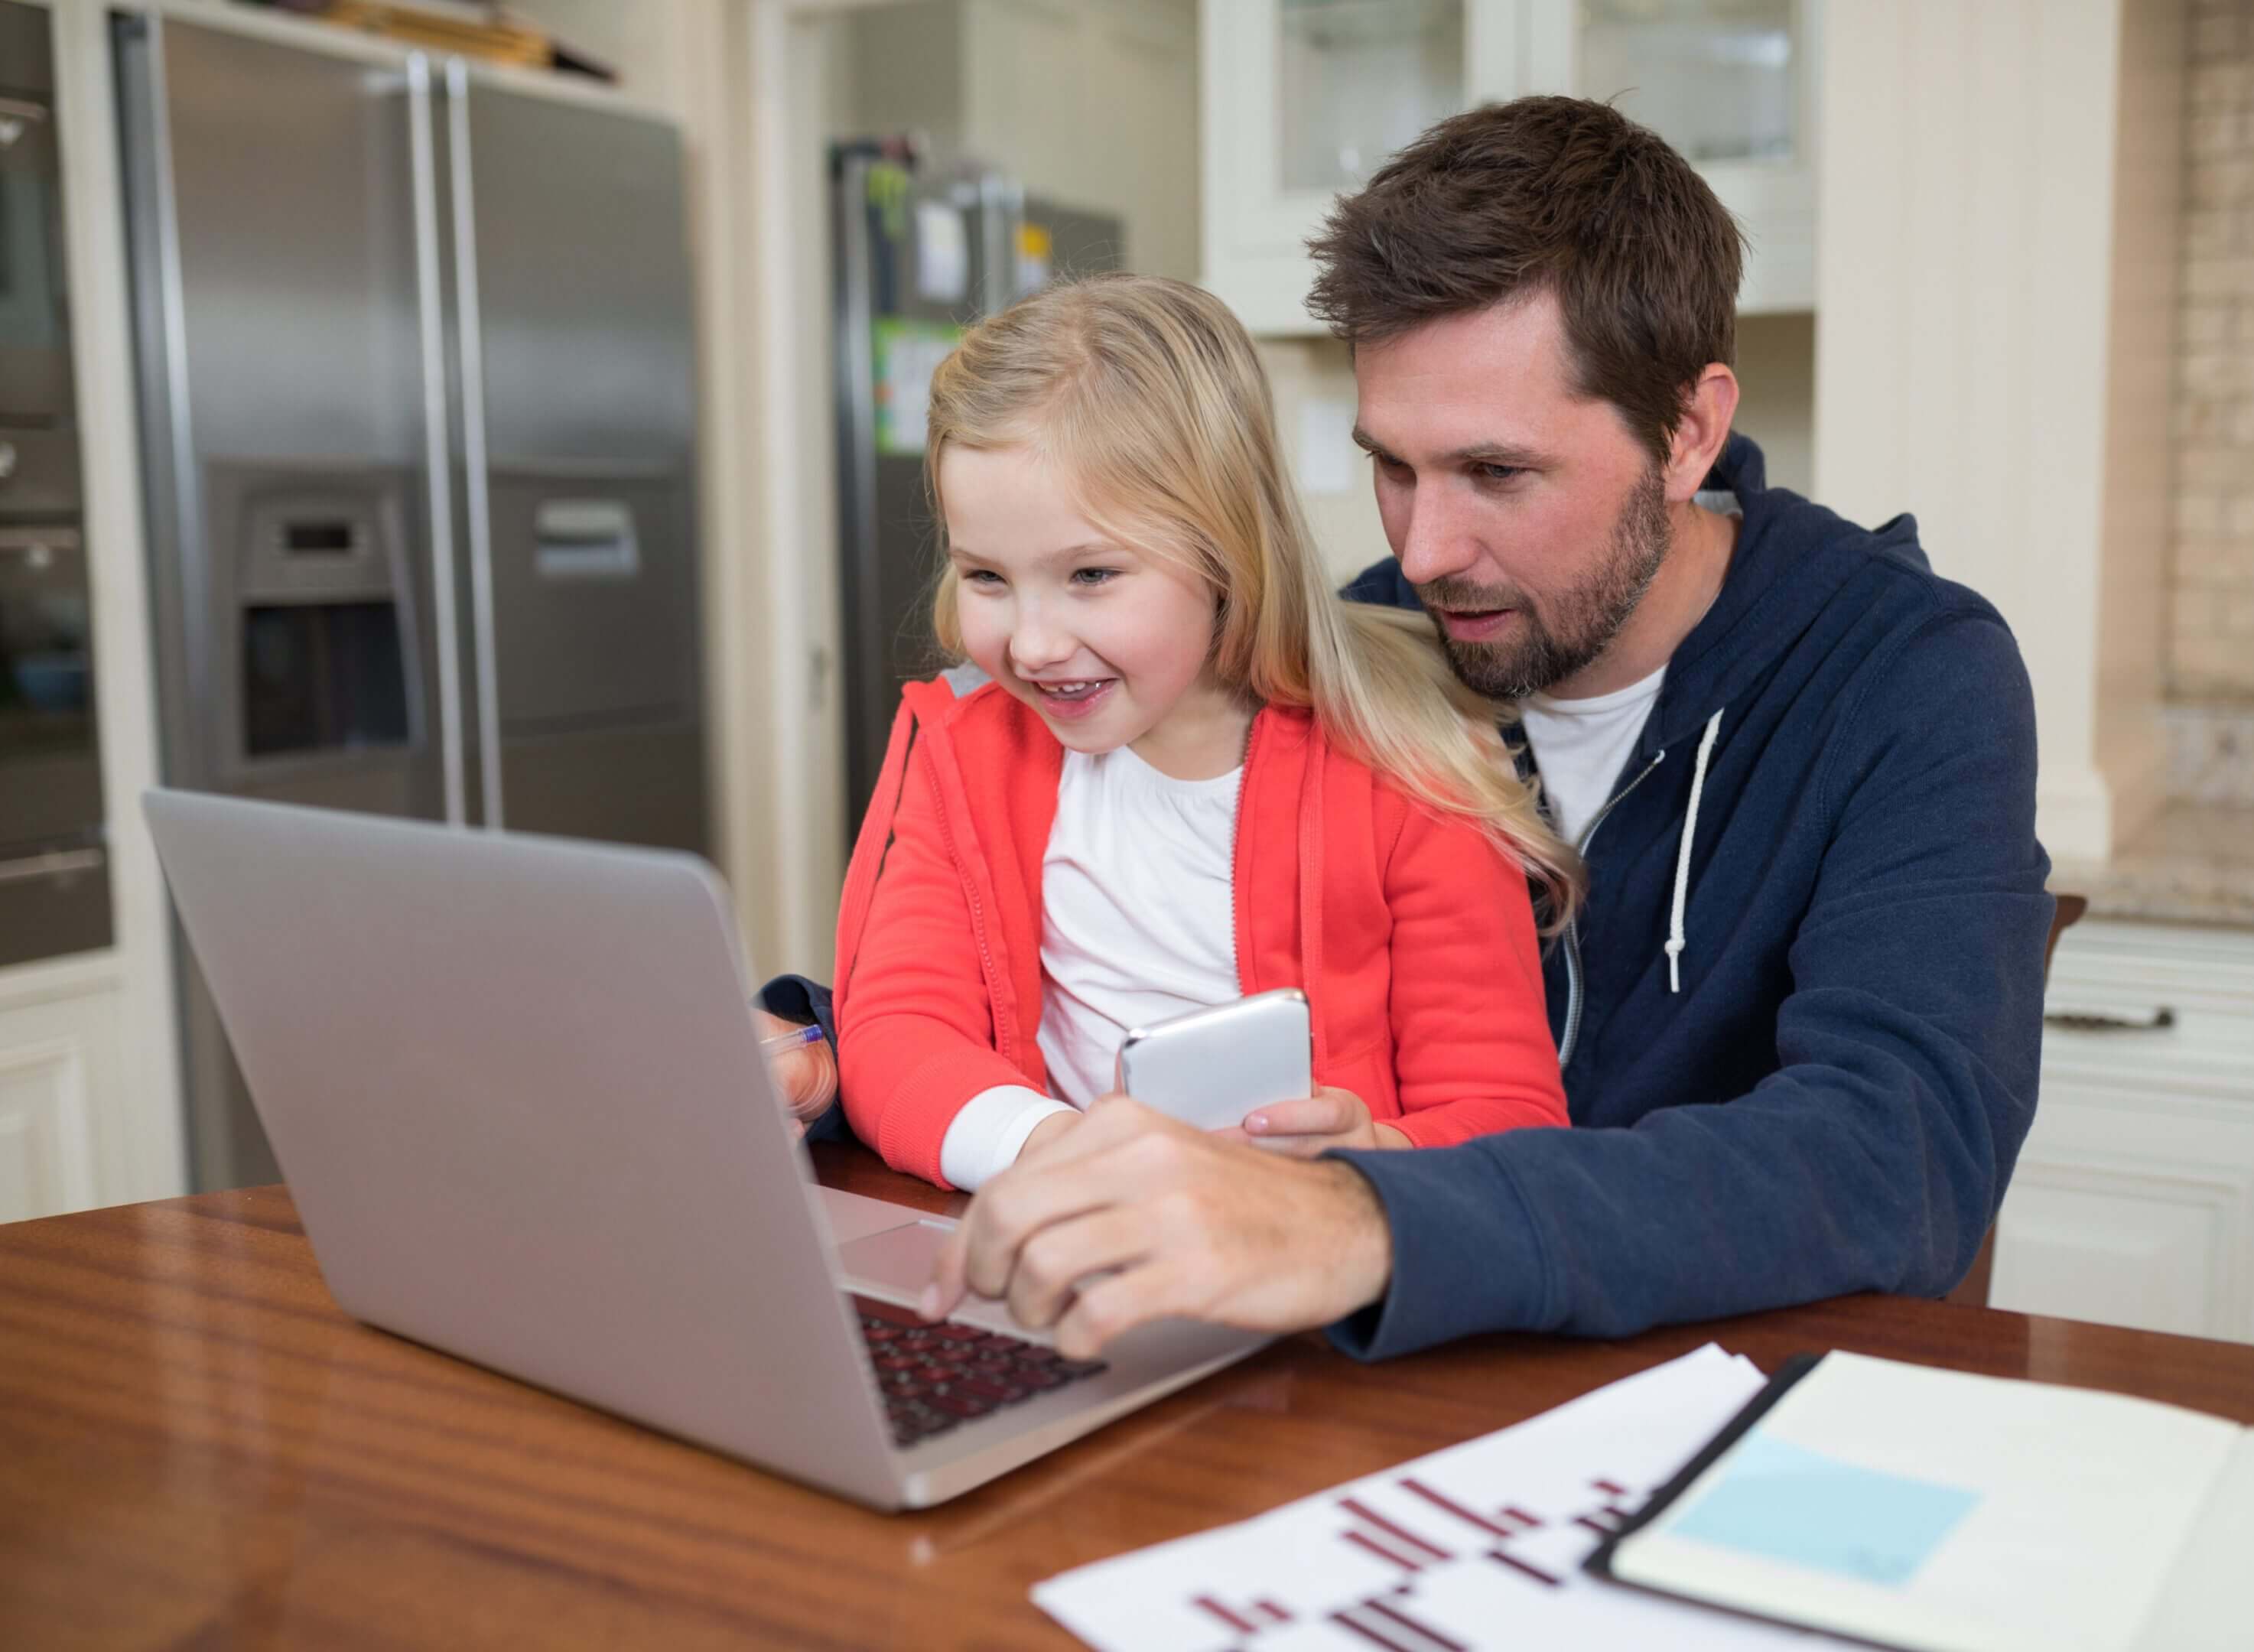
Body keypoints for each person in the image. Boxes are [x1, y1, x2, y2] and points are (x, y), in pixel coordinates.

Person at [775, 96, 2053, 1361]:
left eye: (1497, 473)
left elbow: (1900, 1155)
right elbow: (1110, 944)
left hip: (1702, 1384)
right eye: (1392, 465)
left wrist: (1365, 1216)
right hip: (1377, 1375)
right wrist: (835, 1053)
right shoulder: (1378, 647)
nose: (1425, 553)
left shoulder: (1904, 673)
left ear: (1688, 433)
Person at [786, 272, 1574, 1195]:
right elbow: (896, 1032)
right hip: (1066, 1253)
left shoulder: (1407, 774)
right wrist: (1058, 1157)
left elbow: (1509, 1119)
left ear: (1226, 554)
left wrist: (1376, 1164)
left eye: (1090, 575)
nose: (1034, 644)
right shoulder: (962, 750)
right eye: (987, 577)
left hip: (1317, 1291)